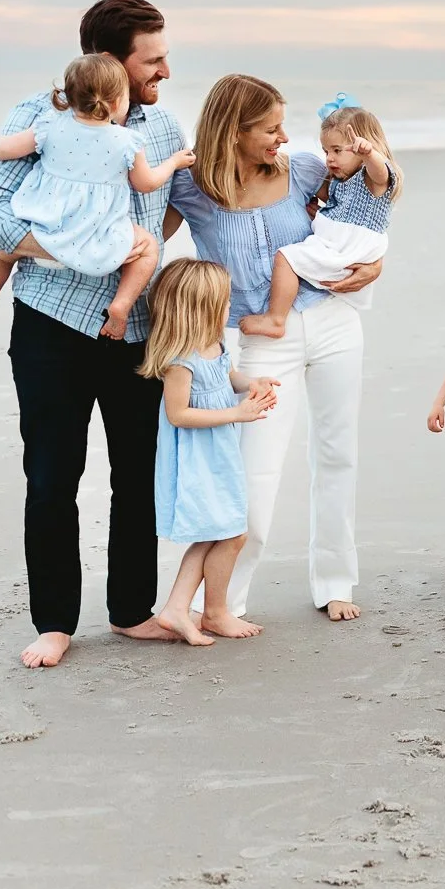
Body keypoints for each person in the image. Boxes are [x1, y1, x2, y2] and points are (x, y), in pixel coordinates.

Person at [0, 0, 187, 668]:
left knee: (139, 473)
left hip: (138, 327)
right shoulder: (40, 116)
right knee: (53, 474)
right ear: (112, 63)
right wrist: (80, 248)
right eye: (153, 60)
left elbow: (180, 211)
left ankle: (131, 611)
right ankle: (55, 621)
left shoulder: (163, 127)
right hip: (50, 324)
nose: (167, 70)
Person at [166, 76, 382, 623]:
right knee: (254, 474)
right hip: (259, 340)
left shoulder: (308, 170)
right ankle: (224, 602)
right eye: (271, 128)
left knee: (339, 454)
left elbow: (363, 217)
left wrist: (377, 264)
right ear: (233, 132)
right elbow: (142, 241)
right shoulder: (190, 187)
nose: (284, 137)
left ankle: (336, 581)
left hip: (333, 321)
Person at [0, 53, 194, 341]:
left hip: (43, 222)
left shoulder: (49, 125)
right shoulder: (126, 140)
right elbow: (146, 184)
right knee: (148, 247)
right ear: (115, 102)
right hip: (96, 232)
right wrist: (173, 162)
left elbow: (4, 149)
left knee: (0, 252)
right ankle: (121, 306)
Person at [142, 259, 278, 645]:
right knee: (230, 533)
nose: (228, 306)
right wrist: (236, 412)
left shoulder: (214, 343)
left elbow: (227, 375)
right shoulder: (180, 359)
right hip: (197, 459)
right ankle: (213, 611)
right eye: (223, 300)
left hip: (219, 454)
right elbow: (178, 413)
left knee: (221, 533)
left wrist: (252, 384)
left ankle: (180, 608)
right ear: (200, 308)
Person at [238, 95, 399, 338]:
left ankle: (275, 319)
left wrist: (369, 153)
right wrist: (322, 218)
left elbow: (381, 173)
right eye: (326, 151)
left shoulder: (371, 180)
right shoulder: (340, 182)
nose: (330, 159)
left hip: (348, 249)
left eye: (337, 150)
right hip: (346, 247)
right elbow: (340, 212)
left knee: (287, 257)